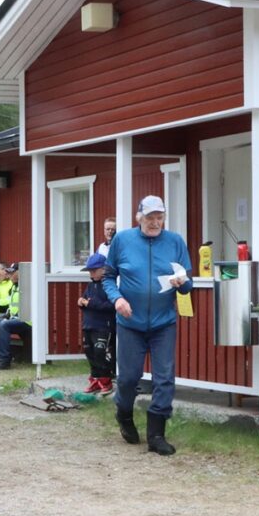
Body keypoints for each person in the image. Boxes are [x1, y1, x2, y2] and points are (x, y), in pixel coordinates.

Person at [104, 195, 192, 456]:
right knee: (129, 378)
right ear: (139, 217)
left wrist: (182, 283)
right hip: (130, 322)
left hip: (163, 322)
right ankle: (124, 414)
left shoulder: (175, 241)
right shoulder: (122, 240)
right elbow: (109, 277)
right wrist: (117, 299)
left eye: (160, 217)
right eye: (151, 217)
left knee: (164, 378)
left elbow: (188, 283)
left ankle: (156, 434)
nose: (155, 222)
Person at [78, 252, 115, 394]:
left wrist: (90, 303)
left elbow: (111, 305)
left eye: (94, 271)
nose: (91, 274)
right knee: (89, 352)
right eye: (89, 271)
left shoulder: (109, 285)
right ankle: (95, 379)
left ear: (104, 269)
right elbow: (85, 300)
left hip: (103, 326)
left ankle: (106, 379)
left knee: (100, 351)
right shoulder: (90, 286)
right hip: (88, 325)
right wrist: (81, 302)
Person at [0, 264, 31, 370]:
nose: (10, 274)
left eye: (12, 272)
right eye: (9, 272)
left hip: (28, 320)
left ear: (21, 273)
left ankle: (5, 360)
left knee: (4, 324)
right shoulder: (15, 286)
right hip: (15, 318)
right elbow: (12, 305)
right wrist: (7, 315)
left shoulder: (27, 285)